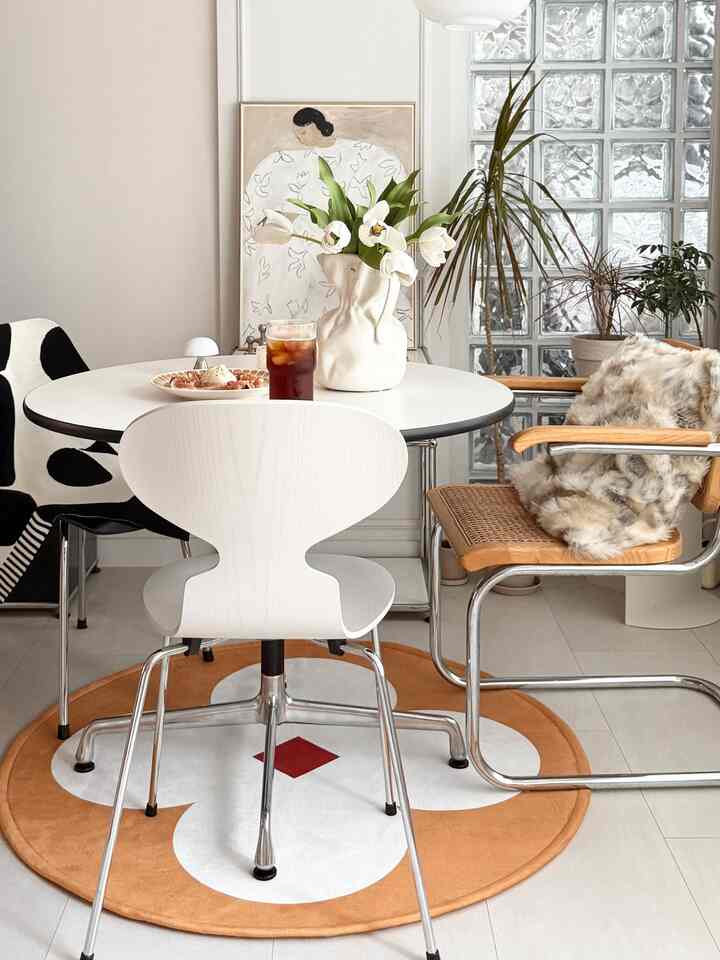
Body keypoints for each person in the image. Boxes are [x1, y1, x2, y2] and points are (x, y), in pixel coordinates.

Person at [242, 107, 411, 347]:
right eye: (296, 134)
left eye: (302, 132)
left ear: (314, 126)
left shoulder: (366, 156)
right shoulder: (285, 163)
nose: (299, 138)